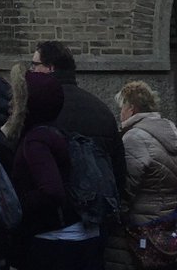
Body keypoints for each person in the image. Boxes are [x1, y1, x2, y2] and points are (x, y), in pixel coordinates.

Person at [11, 72, 95, 269]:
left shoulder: (36, 140)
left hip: (53, 239)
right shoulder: (54, 131)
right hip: (73, 234)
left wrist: (16, 202)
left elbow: (52, 191)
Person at [104, 80, 177, 270]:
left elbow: (127, 185)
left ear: (131, 108)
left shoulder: (135, 137)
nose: (120, 113)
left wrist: (115, 213)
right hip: (166, 220)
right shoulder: (166, 132)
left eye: (122, 107)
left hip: (141, 226)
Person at [32, 40, 126, 196]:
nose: (31, 71)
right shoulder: (102, 110)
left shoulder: (41, 110)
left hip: (60, 210)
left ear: (50, 68)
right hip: (100, 207)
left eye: (34, 65)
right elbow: (119, 170)